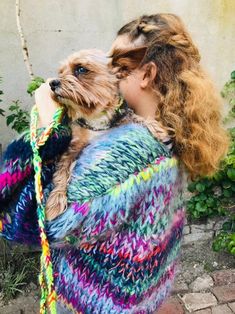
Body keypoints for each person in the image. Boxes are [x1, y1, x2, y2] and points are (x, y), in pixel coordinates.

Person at [0, 13, 228, 314]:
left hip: (98, 302)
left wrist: (47, 128)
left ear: (146, 74)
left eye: (120, 64)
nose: (111, 70)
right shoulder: (164, 133)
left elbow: (35, 224)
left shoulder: (132, 150)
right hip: (138, 292)